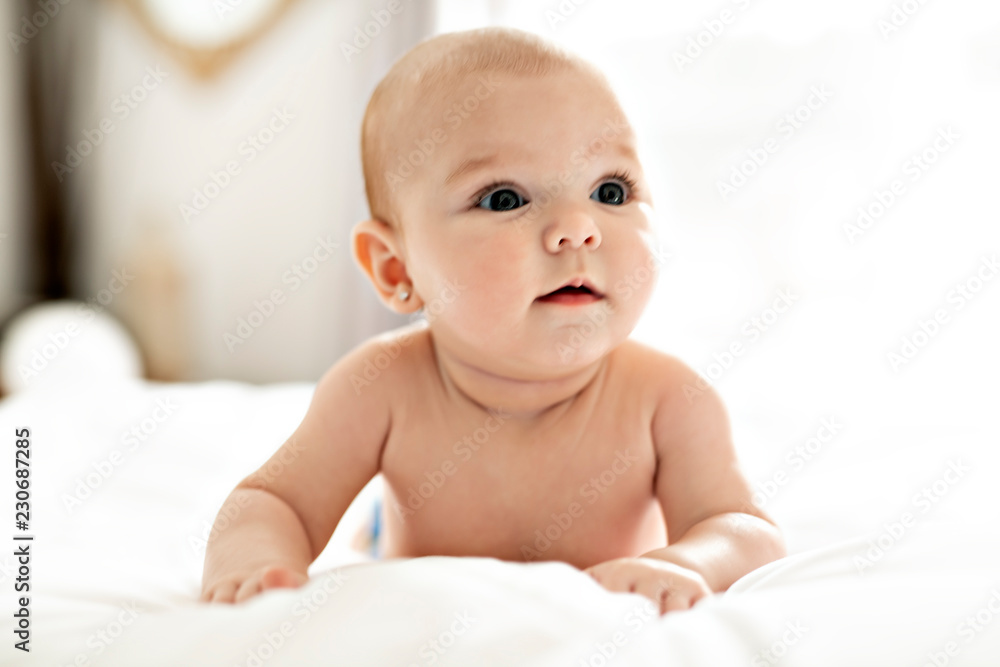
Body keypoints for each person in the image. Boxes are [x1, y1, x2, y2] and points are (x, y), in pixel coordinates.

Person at [200, 27, 785, 614]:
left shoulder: (667, 400)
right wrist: (255, 563)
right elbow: (272, 501)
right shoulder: (379, 388)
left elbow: (743, 530)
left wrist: (683, 561)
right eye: (505, 199)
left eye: (610, 190)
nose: (578, 228)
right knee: (370, 535)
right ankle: (374, 531)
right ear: (396, 268)